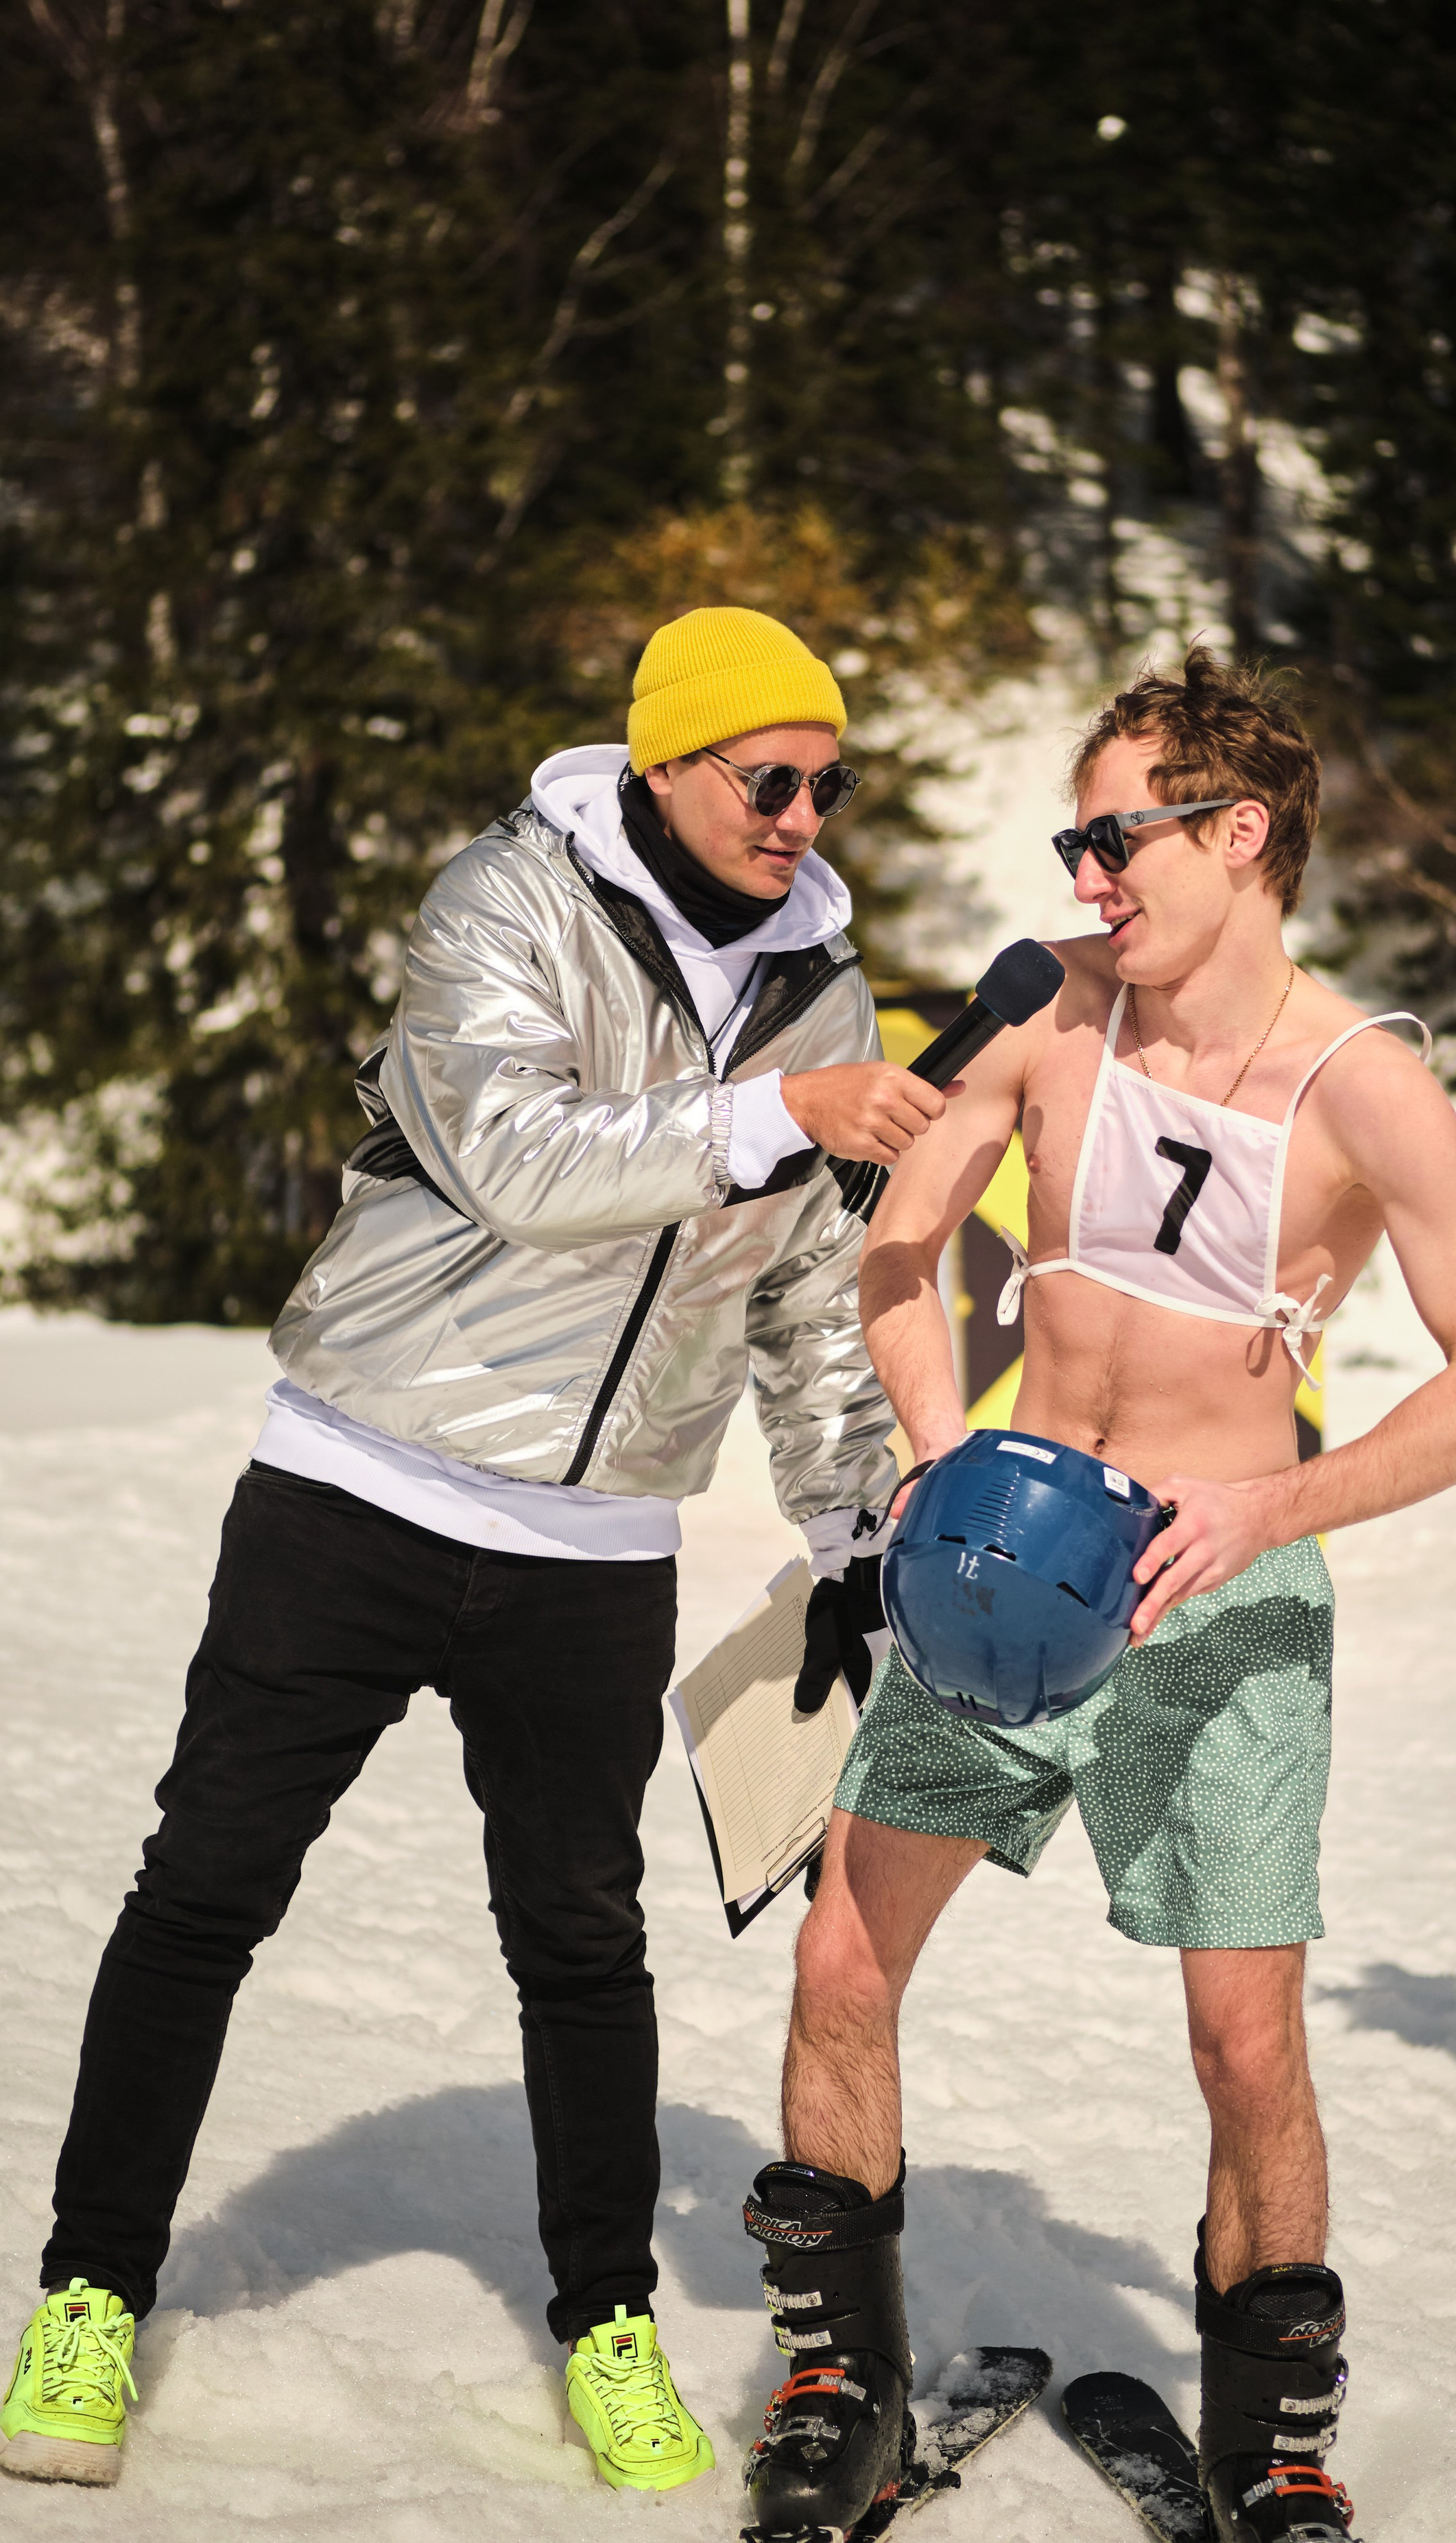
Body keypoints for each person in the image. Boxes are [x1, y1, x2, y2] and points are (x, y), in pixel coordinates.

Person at [0, 606, 936, 2492]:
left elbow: (809, 1292)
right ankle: (90, 2295)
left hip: (594, 1544)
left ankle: (605, 2318)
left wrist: (855, 1524)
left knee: (581, 1939)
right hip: (360, 1486)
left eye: (831, 786)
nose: (801, 816)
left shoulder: (821, 990)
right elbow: (515, 1153)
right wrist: (772, 1111)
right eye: (770, 778)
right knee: (205, 1890)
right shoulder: (505, 899)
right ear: (666, 761)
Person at [735, 647, 1456, 2543]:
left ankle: (1274, 2446)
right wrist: (932, 1447)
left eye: (1115, 840)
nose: (1087, 877)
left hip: (1222, 1597)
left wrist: (1277, 1509)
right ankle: (843, 2391)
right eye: (1075, 844)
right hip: (995, 1571)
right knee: (842, 1957)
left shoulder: (1364, 1083)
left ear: (1240, 833)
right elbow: (898, 1241)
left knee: (1243, 2044)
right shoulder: (1049, 1011)